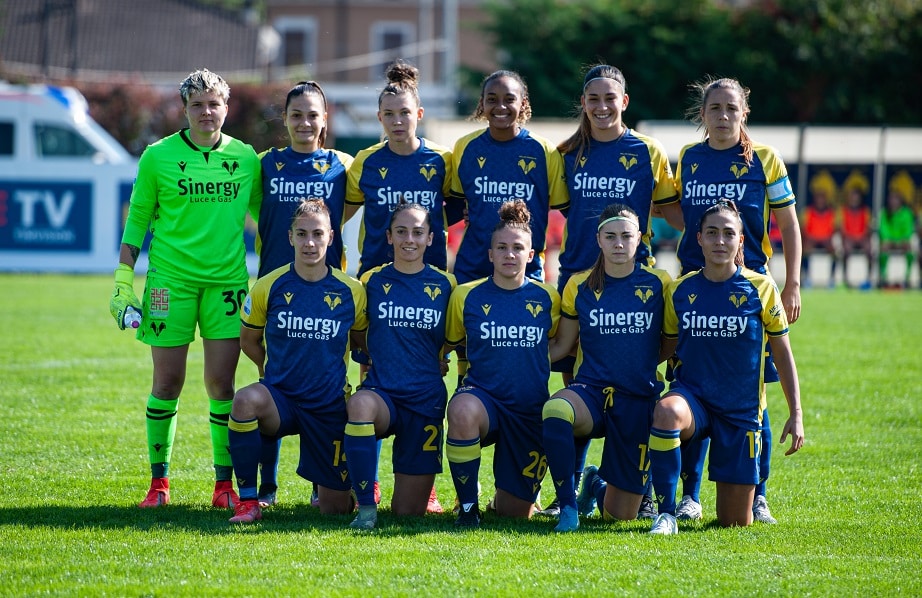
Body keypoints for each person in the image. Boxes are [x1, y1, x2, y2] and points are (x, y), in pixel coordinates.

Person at [109, 68, 261, 509]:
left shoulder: (246, 158)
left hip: (227, 285)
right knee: (168, 381)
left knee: (221, 384)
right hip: (168, 285)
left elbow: (265, 220)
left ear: (226, 108)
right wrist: (122, 284)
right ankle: (159, 484)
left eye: (214, 104)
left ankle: (223, 485)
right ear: (185, 109)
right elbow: (137, 220)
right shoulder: (158, 157)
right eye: (198, 105)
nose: (207, 112)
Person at [657, 76, 802, 524]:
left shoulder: (765, 159)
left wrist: (791, 282)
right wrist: (653, 200)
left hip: (748, 291)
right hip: (697, 285)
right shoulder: (691, 159)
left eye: (731, 109)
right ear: (702, 116)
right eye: (714, 109)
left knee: (749, 394)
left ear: (744, 113)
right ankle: (690, 494)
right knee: (692, 383)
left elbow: (789, 224)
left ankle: (757, 492)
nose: (723, 116)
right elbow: (680, 213)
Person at [547, 64, 679, 517]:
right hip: (578, 281)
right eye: (593, 99)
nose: (602, 107)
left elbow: (672, 209)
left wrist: (728, 244)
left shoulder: (647, 150)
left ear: (624, 102)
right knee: (576, 382)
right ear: (583, 104)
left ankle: (623, 486)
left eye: (610, 99)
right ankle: (570, 490)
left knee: (628, 376)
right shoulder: (567, 153)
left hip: (632, 281)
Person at [648, 200, 804, 534]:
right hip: (694, 400)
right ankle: (666, 514)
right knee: (665, 412)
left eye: (728, 234)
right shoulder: (681, 290)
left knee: (735, 521)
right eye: (712, 233)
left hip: (739, 411)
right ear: (699, 239)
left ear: (740, 242)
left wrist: (797, 413)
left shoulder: (761, 287)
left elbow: (782, 353)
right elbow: (667, 346)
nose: (720, 241)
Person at [345, 61, 452, 513]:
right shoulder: (366, 163)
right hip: (378, 282)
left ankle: (419, 479)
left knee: (427, 371)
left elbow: (463, 209)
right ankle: (363, 483)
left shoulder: (441, 161)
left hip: (428, 282)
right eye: (388, 114)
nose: (397, 121)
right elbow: (337, 217)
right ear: (379, 118)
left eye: (404, 113)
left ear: (419, 113)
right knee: (372, 376)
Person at [227, 199, 367, 523]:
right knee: (245, 401)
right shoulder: (268, 286)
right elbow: (247, 340)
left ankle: (329, 489)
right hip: (282, 400)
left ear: (331, 237)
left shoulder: (352, 291)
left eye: (317, 234)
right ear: (290, 237)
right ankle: (248, 501)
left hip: (328, 405)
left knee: (335, 510)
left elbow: (362, 343)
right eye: (302, 234)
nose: (310, 243)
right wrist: (268, 369)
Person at [253, 80, 354, 508]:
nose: (304, 122)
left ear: (325, 119)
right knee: (273, 379)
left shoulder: (343, 166)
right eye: (296, 115)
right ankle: (267, 488)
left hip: (328, 292)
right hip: (277, 292)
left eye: (313, 115)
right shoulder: (264, 164)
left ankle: (321, 483)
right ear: (286, 119)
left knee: (326, 385)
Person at [542, 204, 671, 532]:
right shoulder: (579, 284)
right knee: (556, 409)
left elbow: (670, 341)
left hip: (638, 397)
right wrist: (512, 359)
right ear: (598, 239)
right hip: (591, 392)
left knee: (619, 516)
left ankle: (595, 485)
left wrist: (637, 363)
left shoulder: (659, 283)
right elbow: (562, 345)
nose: (618, 243)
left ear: (639, 239)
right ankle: (568, 508)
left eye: (626, 236)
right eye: (610, 236)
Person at [447, 69, 568, 387]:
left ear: (523, 103)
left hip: (525, 270)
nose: (500, 106)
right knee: (470, 347)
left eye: (509, 99)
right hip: (473, 264)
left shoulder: (544, 152)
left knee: (519, 349)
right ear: (482, 104)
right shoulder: (465, 148)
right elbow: (455, 205)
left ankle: (524, 413)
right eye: (492, 99)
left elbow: (566, 209)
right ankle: (468, 395)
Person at [445, 201, 560, 527]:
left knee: (514, 512)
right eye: (502, 248)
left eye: (517, 248)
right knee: (462, 410)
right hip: (485, 399)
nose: (510, 254)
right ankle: (467, 508)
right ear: (490, 254)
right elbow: (450, 342)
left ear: (531, 254)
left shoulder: (547, 298)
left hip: (528, 410)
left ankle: (509, 496)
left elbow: (560, 343)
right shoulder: (466, 296)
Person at [344, 202, 456, 529]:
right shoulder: (371, 282)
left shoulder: (446, 285)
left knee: (408, 513)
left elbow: (453, 336)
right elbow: (358, 333)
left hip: (425, 401)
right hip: (384, 394)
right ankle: (365, 508)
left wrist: (439, 358)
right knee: (360, 406)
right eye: (402, 231)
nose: (410, 238)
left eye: (418, 232)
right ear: (389, 237)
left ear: (431, 238)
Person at [878, 171, 916, 289]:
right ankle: (883, 277)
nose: (893, 202)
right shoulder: (885, 213)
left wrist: (901, 239)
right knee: (883, 246)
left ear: (901, 200)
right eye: (891, 199)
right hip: (889, 241)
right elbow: (883, 229)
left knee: (909, 247)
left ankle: (907, 277)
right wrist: (889, 239)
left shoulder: (906, 213)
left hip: (902, 240)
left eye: (896, 199)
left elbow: (909, 229)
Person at [801, 170, 838, 288]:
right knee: (805, 249)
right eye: (818, 197)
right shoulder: (808, 212)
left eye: (822, 197)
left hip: (826, 240)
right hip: (812, 239)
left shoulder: (831, 213)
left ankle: (832, 279)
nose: (820, 200)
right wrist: (811, 237)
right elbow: (804, 229)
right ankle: (806, 278)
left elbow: (834, 229)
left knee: (835, 252)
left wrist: (827, 238)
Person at [839, 172, 873, 289]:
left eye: (856, 197)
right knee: (846, 249)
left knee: (869, 250)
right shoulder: (843, 210)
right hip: (849, 238)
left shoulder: (865, 211)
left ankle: (869, 278)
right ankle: (845, 278)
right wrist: (850, 237)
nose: (854, 199)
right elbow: (842, 228)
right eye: (852, 197)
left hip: (861, 237)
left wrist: (861, 236)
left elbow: (868, 228)